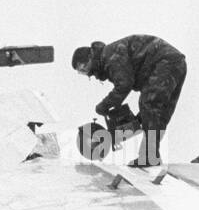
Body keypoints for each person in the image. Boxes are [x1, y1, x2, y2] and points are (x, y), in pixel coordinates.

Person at [71, 34, 187, 166]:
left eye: (83, 67)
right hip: (177, 63)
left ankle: (149, 156)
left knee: (148, 105)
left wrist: (104, 105)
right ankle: (148, 155)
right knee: (158, 113)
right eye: (82, 72)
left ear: (90, 57)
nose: (86, 72)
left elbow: (124, 84)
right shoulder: (108, 56)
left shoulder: (109, 56)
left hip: (164, 62)